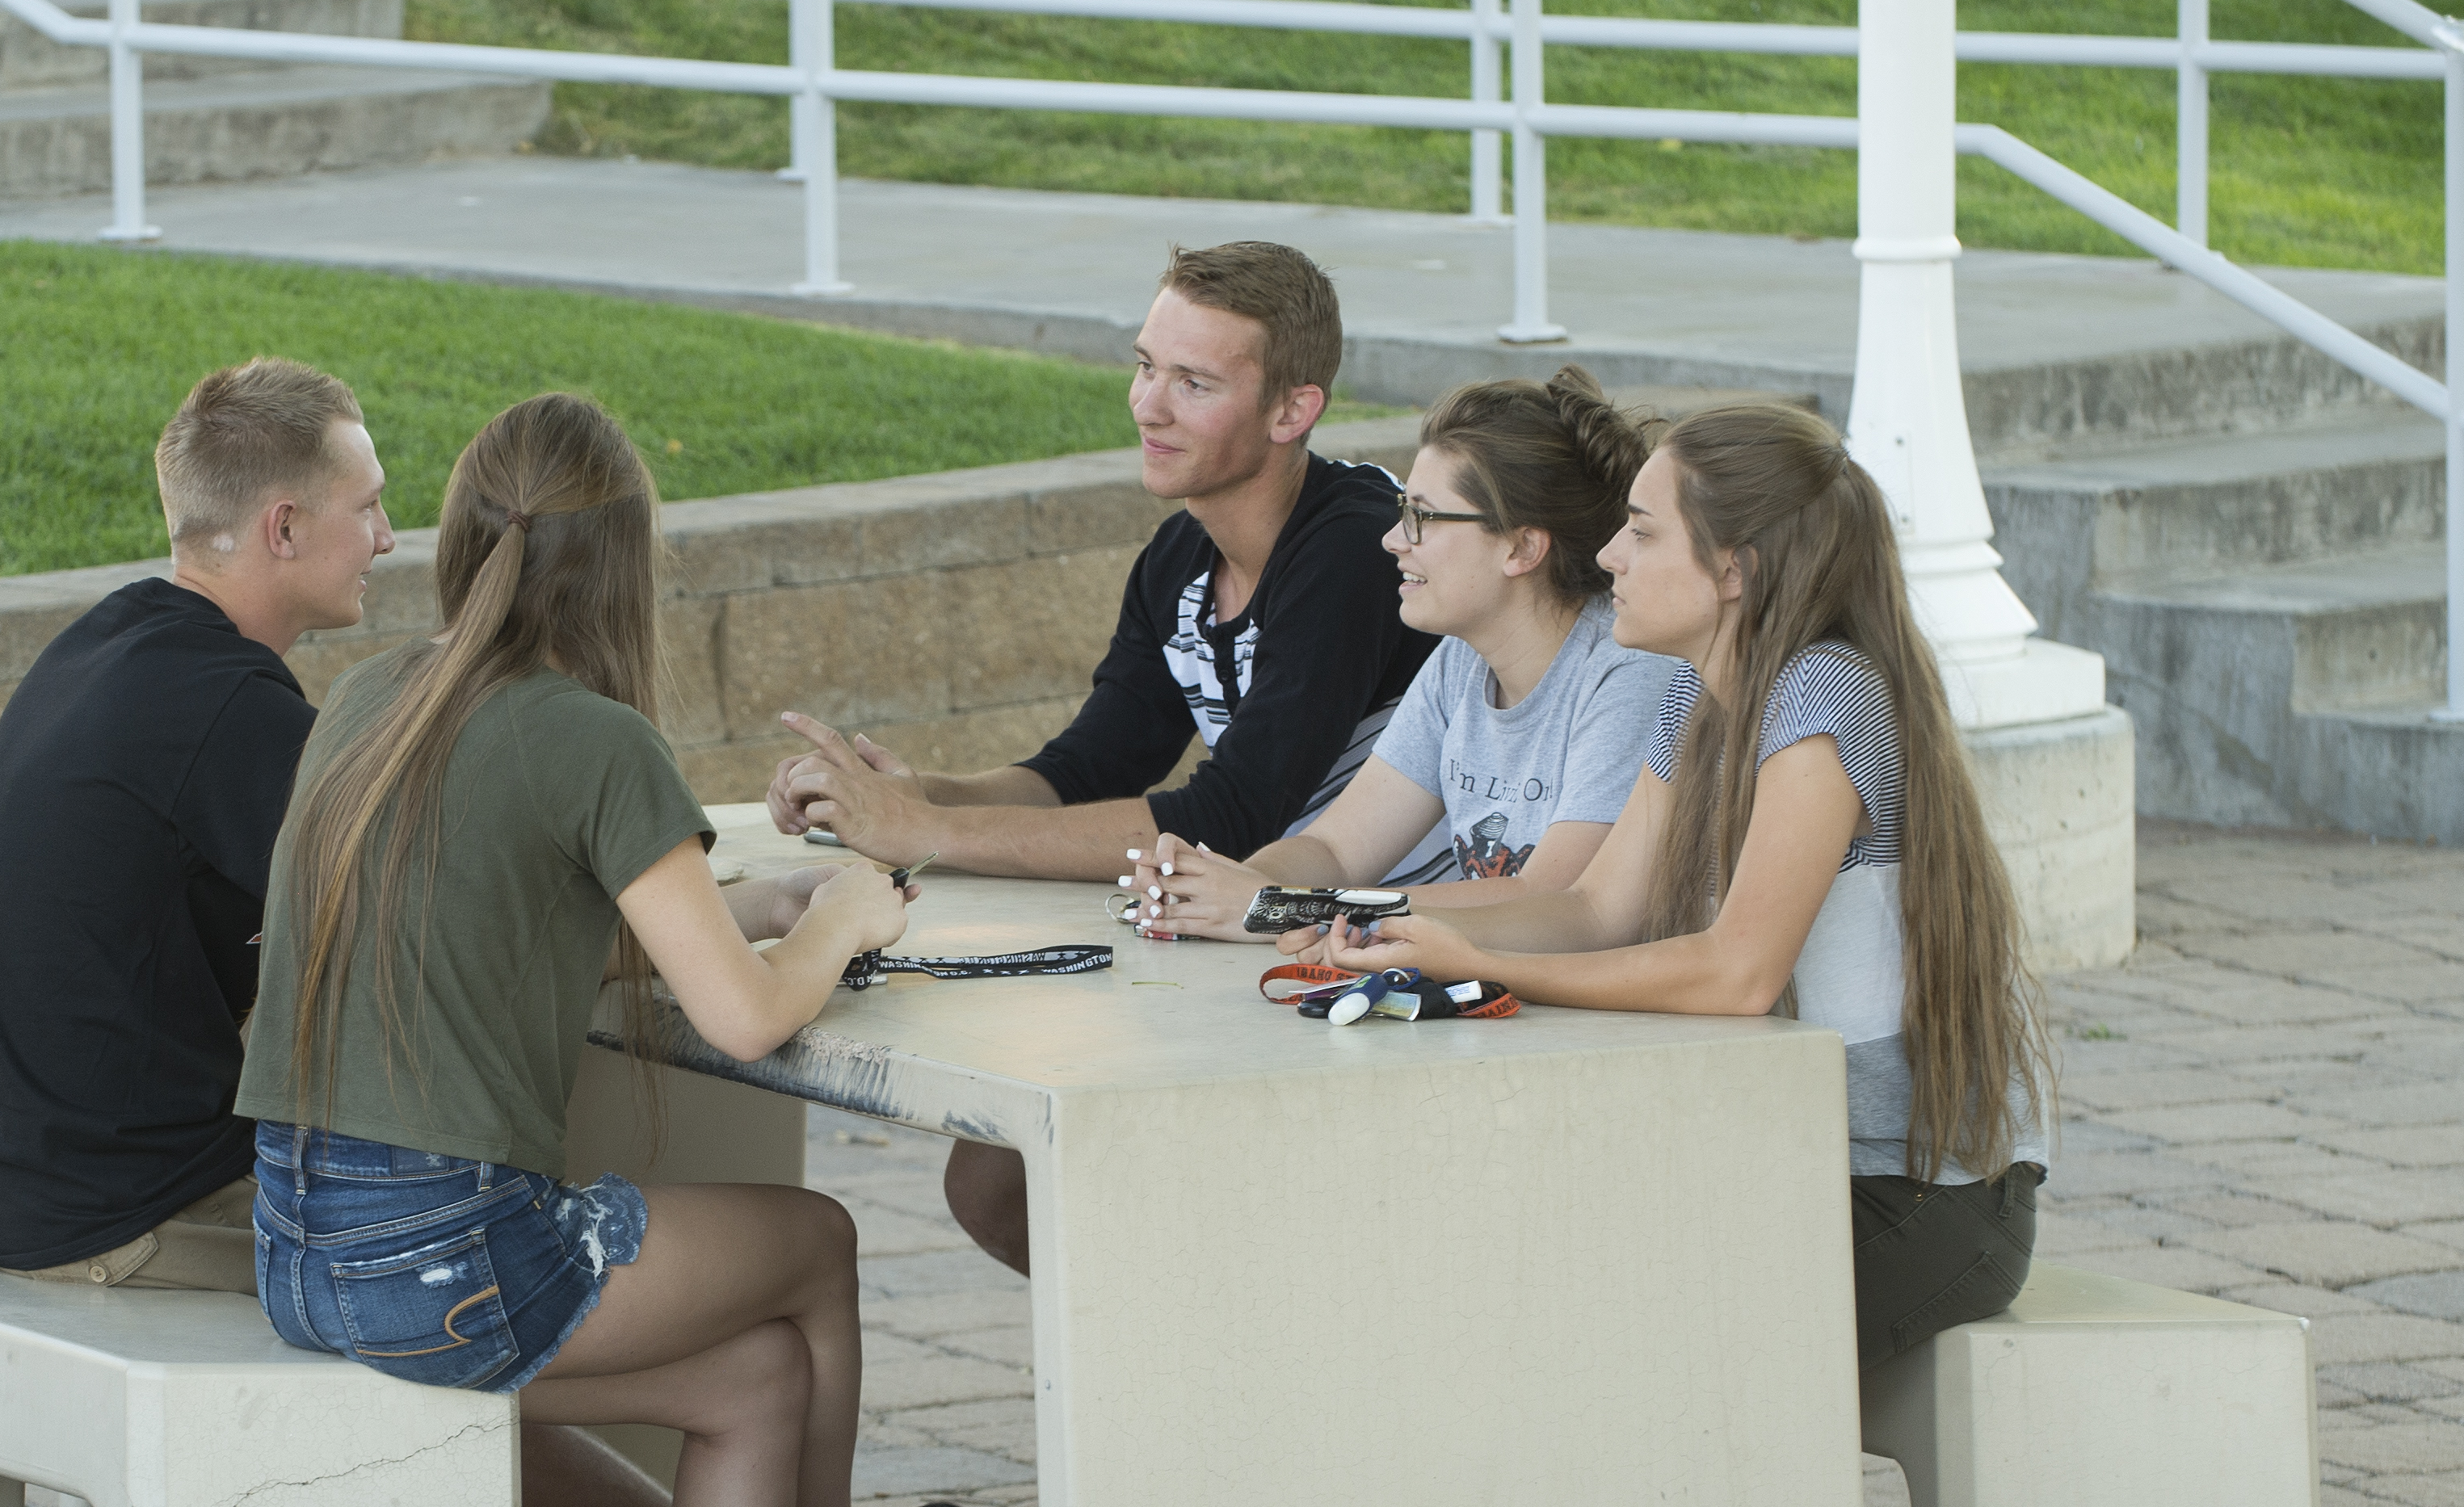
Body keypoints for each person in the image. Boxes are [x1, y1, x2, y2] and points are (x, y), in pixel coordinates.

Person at [0, 361, 975, 1507]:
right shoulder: (252, 717)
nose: (389, 539)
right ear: (281, 528)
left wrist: (668, 926)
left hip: (6, 1170)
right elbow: (438, 943)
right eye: (364, 507)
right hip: (125, 1201)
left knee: (455, 1274)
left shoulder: (127, 648)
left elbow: (436, 926)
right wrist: (770, 924)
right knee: (450, 1280)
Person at [236, 391, 987, 1507]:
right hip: (444, 1255)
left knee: (754, 1378)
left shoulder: (376, 696)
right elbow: (750, 1023)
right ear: (626, 571)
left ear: (459, 545)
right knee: (815, 1241)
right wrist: (835, 916)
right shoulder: (593, 741)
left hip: (302, 1245)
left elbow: (491, 937)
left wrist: (729, 920)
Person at [1304, 401, 2049, 1366]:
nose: (1608, 554)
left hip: (1918, 1201)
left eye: (1641, 531)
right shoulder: (1703, 700)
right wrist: (1379, 923)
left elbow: (1735, 973)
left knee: (1598, 1332)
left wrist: (1484, 964)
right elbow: (1593, 909)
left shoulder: (1823, 693)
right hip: (1788, 1159)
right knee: (1498, 1258)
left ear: (1732, 568)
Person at [761, 239, 1435, 1271]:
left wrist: (933, 833)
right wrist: (903, 795)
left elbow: (1229, 815)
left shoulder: (1349, 548)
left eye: (1194, 382)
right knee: (997, 1176)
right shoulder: (1179, 555)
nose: (1146, 405)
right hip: (1256, 934)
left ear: (1293, 411)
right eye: (1144, 365)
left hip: (1388, 958)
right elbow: (1084, 769)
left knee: (1021, 1173)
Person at [1111, 367, 1670, 941]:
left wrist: (1287, 907)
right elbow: (1335, 848)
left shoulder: (1629, 672)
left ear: (1522, 547)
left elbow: (1551, 899)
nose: (1393, 539)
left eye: (1422, 517)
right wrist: (1220, 890)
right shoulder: (1461, 660)